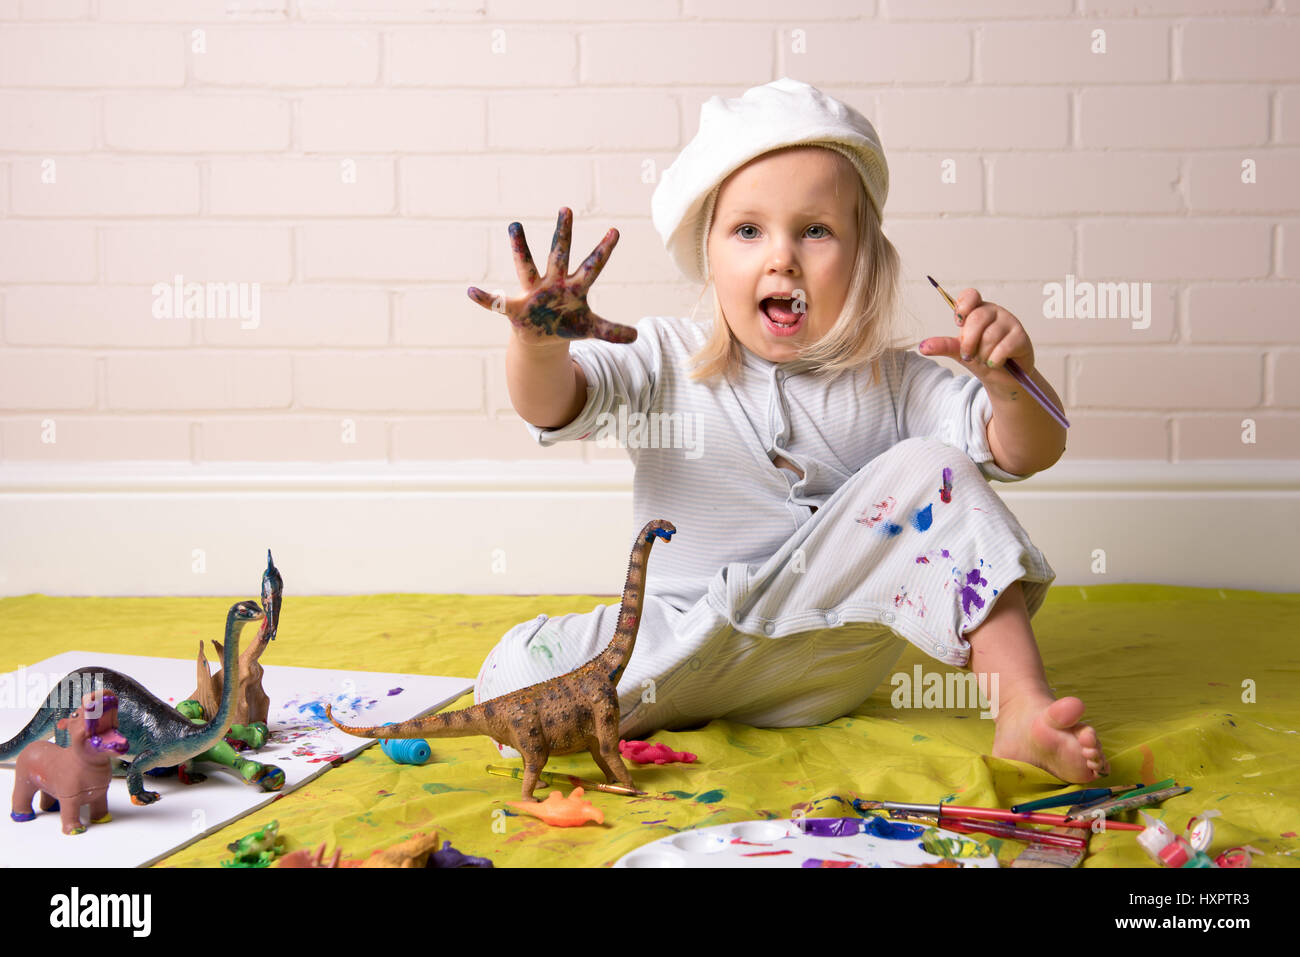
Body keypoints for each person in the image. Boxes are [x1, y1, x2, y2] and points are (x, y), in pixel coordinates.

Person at [466, 77, 1107, 783]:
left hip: (825, 652)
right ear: (707, 255)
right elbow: (552, 404)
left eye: (815, 230)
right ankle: (661, 698)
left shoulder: (898, 381)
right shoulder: (662, 358)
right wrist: (539, 346)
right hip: (683, 644)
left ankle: (1020, 705)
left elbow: (1027, 450)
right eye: (748, 230)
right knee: (509, 684)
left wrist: (1010, 384)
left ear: (862, 257)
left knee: (934, 467)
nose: (782, 257)